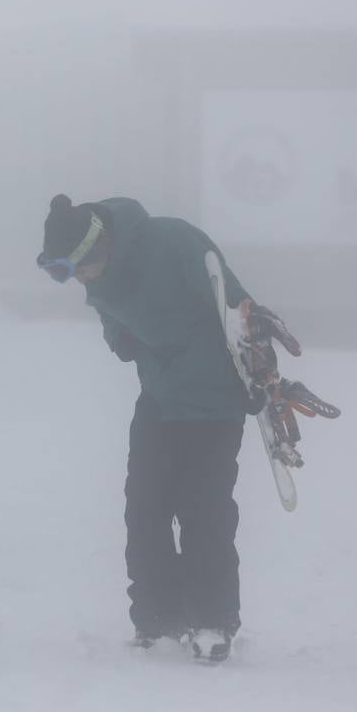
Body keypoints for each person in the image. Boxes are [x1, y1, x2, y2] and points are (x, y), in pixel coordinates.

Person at [36, 193, 267, 662]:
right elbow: (118, 332)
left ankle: (211, 620)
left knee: (204, 513)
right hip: (160, 400)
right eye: (67, 274)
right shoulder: (101, 279)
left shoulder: (174, 242)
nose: (78, 282)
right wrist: (123, 338)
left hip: (215, 402)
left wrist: (258, 366)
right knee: (145, 510)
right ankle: (159, 619)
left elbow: (236, 307)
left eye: (78, 270)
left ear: (98, 249)